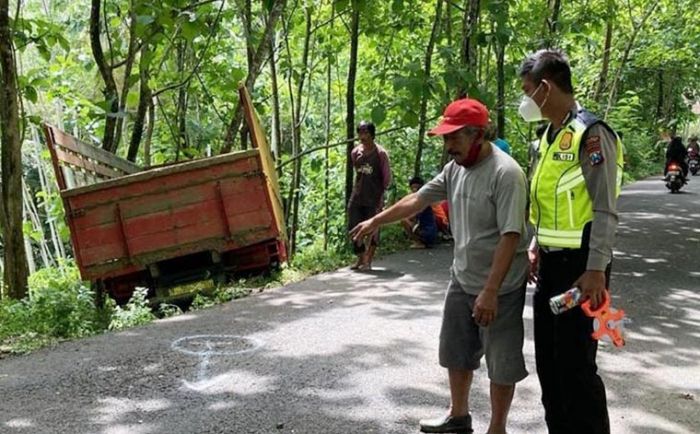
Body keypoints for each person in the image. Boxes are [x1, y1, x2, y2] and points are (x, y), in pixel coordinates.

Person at [351, 98, 529, 434]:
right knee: (455, 350)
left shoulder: (506, 174)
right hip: (462, 278)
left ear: (478, 134)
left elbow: (511, 235)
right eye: (445, 139)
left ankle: (497, 428)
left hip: (500, 287)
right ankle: (458, 417)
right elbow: (417, 200)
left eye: (454, 138)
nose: (447, 147)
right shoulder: (454, 169)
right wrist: (376, 220)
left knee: (501, 363)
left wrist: (490, 292)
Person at [518, 49, 624, 434]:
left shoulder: (591, 134)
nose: (525, 99)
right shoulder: (547, 137)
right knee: (549, 365)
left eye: (527, 90)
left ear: (545, 88)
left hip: (582, 271)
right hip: (549, 266)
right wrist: (535, 244)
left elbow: (604, 209)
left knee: (576, 368)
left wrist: (596, 269)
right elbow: (549, 201)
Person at [347, 121, 391, 270]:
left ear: (372, 134)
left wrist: (380, 194)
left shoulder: (380, 154)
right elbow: (357, 171)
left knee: (373, 228)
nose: (362, 136)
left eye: (366, 133)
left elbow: (386, 177)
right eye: (360, 133)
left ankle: (368, 260)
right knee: (354, 225)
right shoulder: (355, 153)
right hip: (358, 194)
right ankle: (360, 257)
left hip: (374, 196)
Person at [401, 177, 438, 248]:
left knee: (404, 220)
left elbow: (412, 216)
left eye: (416, 188)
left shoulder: (421, 201)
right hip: (428, 231)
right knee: (410, 221)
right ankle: (420, 240)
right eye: (413, 188)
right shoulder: (423, 199)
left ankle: (419, 242)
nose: (414, 190)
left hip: (428, 233)